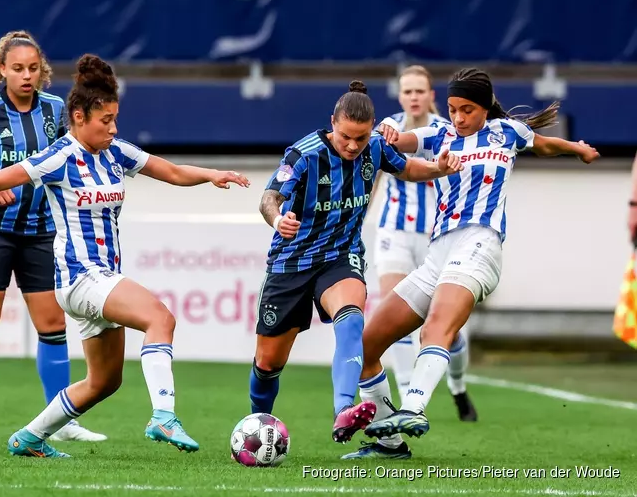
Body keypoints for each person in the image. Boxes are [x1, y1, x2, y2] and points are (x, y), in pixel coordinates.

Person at [0, 54, 251, 458]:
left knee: (104, 382)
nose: (113, 128)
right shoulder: (59, 158)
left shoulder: (117, 152)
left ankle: (28, 438)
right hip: (81, 277)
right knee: (160, 317)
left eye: (116, 119)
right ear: (80, 117)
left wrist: (211, 175)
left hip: (100, 278)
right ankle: (163, 415)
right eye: (106, 120)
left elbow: (170, 171)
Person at [349, 68, 599, 448]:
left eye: (467, 109)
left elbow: (544, 144)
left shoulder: (507, 132)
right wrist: (385, 130)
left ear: (484, 108)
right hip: (438, 254)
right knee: (367, 345)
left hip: (480, 245)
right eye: (452, 109)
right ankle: (390, 445)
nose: (459, 118)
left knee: (437, 327)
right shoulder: (439, 135)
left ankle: (414, 407)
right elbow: (401, 139)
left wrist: (576, 148)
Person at [250, 80, 463, 445]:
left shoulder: (377, 148)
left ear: (372, 129)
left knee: (352, 320)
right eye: (346, 136)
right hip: (291, 264)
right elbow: (269, 196)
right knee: (268, 363)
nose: (352, 145)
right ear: (333, 122)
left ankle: (343, 411)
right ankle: (257, 419)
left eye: (361, 138)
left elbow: (407, 169)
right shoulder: (303, 155)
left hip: (340, 257)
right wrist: (277, 219)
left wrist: (439, 169)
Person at [0, 31, 104, 442]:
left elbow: (77, 155)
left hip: (43, 231)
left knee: (52, 324)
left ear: (41, 70)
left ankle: (64, 423)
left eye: (33, 68)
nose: (26, 75)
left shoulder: (55, 111)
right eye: (18, 69)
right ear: (2, 71)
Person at [373, 66, 476, 419]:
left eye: (420, 91)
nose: (414, 97)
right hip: (394, 231)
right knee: (394, 310)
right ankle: (405, 397)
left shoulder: (449, 129)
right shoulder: (389, 128)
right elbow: (370, 174)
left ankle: (458, 387)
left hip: (437, 235)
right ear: (400, 96)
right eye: (408, 91)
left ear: (431, 95)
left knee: (449, 328)